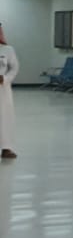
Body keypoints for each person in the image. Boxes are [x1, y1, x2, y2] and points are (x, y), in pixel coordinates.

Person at [0, 21, 18, 160]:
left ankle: (6, 148)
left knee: (4, 118)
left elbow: (14, 68)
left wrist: (5, 79)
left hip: (2, 90)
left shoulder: (7, 50)